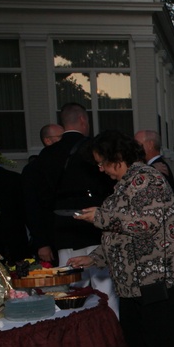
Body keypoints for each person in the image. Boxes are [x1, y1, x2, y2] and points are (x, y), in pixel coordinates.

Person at [67, 130, 174, 347]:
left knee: (162, 346)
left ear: (118, 157)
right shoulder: (123, 185)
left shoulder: (147, 179)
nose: (100, 169)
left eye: (102, 163)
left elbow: (146, 224)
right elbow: (118, 235)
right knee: (139, 345)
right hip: (132, 283)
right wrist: (94, 257)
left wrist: (99, 216)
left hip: (160, 278)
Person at [35, 103, 118, 314]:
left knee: (71, 292)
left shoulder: (46, 155)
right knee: (105, 289)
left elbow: (40, 201)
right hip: (94, 227)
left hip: (63, 230)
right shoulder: (93, 150)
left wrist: (43, 239)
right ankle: (110, 332)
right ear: (83, 120)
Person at [22, 124, 63, 258]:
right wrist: (42, 243)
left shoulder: (66, 164)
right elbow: (31, 208)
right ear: (47, 140)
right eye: (61, 137)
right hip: (48, 235)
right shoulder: (34, 170)